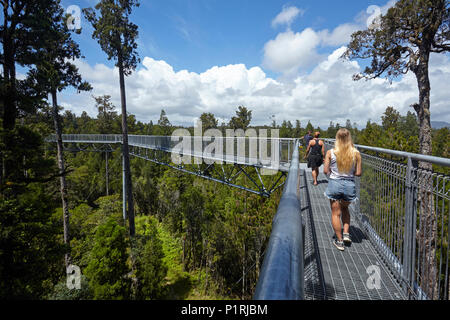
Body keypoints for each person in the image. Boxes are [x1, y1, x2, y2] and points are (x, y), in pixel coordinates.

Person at [323, 128, 362, 251]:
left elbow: (325, 171)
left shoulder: (330, 152)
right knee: (345, 208)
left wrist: (331, 172)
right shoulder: (356, 153)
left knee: (336, 213)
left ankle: (339, 241)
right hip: (349, 185)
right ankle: (346, 233)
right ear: (349, 138)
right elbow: (358, 173)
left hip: (334, 184)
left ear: (337, 138)